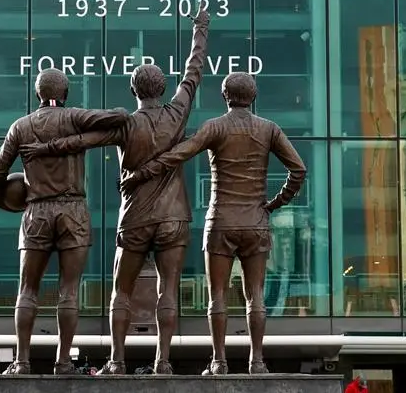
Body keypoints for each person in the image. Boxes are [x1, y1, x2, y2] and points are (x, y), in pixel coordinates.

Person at [20, 0, 211, 375]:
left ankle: (117, 361)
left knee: (121, 292)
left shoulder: (125, 125)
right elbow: (194, 71)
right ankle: (163, 363)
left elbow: (81, 141)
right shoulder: (178, 112)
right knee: (168, 289)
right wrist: (200, 28)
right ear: (164, 88)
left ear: (132, 88)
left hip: (136, 217)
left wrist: (44, 148)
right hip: (175, 216)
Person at [121, 71, 306, 376]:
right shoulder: (268, 129)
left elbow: (180, 153)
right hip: (256, 221)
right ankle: (257, 361)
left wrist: (141, 173)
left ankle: (219, 361)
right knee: (255, 295)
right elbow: (298, 170)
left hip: (221, 220)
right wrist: (275, 203)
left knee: (217, 295)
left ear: (224, 96)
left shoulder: (215, 127)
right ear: (254, 96)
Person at [0, 69, 128, 375]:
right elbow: (119, 117)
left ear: (38, 94)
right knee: (69, 290)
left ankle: (21, 361)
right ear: (64, 94)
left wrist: (3, 202)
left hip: (35, 211)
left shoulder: (20, 126)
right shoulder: (74, 117)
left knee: (27, 289)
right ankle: (63, 361)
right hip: (73, 211)